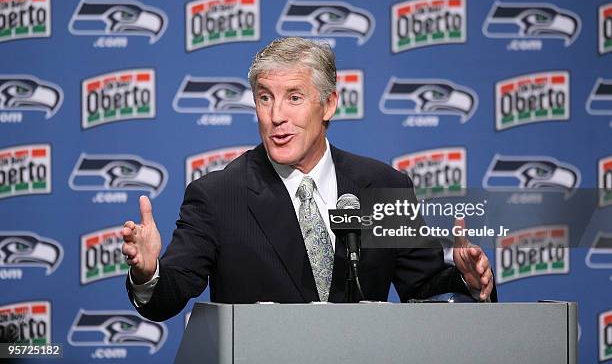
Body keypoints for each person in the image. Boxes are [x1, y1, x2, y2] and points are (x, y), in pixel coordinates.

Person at [122, 37, 495, 322]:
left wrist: (467, 283)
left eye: (294, 97)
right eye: (265, 98)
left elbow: (424, 287)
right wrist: (149, 272)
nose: (276, 116)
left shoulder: (383, 187)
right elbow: (169, 296)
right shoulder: (219, 196)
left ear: (329, 104)